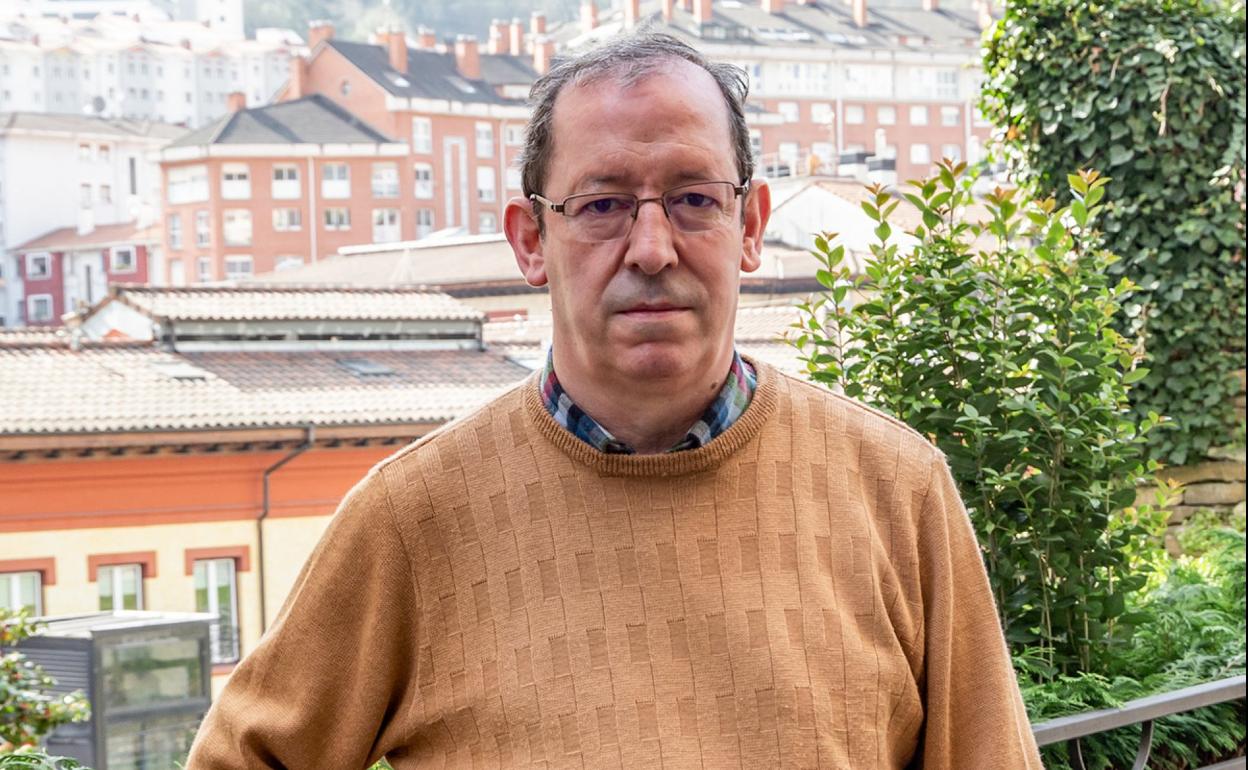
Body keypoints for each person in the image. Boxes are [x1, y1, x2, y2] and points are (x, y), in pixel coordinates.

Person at [187, 31, 1043, 769]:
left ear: (750, 226)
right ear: (531, 240)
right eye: (602, 205)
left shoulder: (897, 492)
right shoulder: (412, 520)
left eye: (694, 200)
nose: (652, 248)